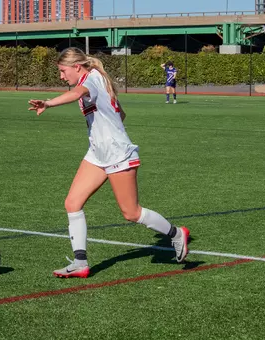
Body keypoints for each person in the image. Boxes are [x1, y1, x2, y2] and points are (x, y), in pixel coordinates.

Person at [28, 48, 190, 279]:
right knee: (72, 203)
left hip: (116, 153)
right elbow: (120, 114)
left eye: (63, 71)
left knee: (131, 213)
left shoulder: (91, 79)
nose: (61, 76)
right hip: (97, 153)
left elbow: (77, 94)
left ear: (77, 67)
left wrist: (48, 103)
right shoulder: (95, 80)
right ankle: (79, 263)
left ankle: (176, 234)